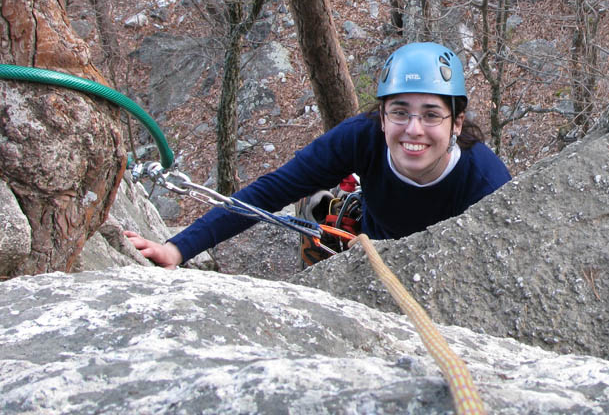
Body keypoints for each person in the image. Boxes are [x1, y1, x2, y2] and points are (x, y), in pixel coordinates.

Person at [126, 42, 511, 268]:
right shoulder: (361, 139)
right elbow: (270, 191)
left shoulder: (487, 182)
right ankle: (329, 207)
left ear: (456, 123)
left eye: (431, 114)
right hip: (371, 251)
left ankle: (334, 207)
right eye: (399, 111)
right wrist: (178, 247)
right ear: (381, 116)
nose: (413, 129)